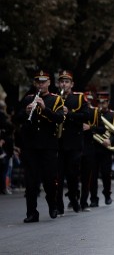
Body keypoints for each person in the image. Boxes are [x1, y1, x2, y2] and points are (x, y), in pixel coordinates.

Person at [15, 70, 65, 222]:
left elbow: (59, 118)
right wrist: (26, 111)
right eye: (38, 82)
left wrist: (44, 109)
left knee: (50, 179)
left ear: (49, 83)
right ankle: (31, 213)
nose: (41, 84)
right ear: (35, 83)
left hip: (48, 146)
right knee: (31, 181)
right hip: (30, 145)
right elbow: (16, 119)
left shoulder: (56, 100)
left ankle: (53, 205)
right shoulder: (28, 98)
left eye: (44, 82)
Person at [56, 70, 89, 215]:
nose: (64, 84)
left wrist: (68, 113)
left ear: (72, 84)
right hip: (58, 142)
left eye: (67, 82)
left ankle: (74, 199)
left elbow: (86, 116)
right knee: (58, 175)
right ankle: (59, 205)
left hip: (74, 142)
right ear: (58, 84)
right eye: (62, 81)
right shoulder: (54, 98)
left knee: (72, 174)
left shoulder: (80, 98)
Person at [90, 91, 114, 206]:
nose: (101, 104)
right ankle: (93, 198)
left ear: (108, 102)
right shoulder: (94, 114)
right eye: (99, 102)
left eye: (103, 102)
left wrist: (110, 140)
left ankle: (107, 195)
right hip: (94, 147)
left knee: (106, 174)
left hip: (106, 149)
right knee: (93, 175)